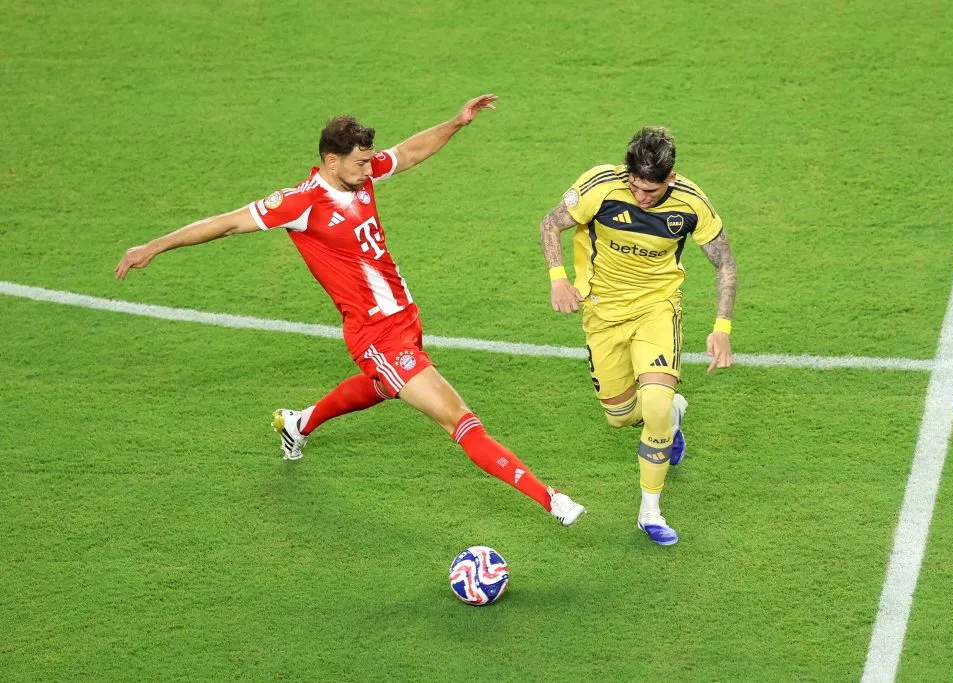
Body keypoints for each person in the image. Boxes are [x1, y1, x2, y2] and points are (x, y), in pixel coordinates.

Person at [115, 94, 585, 527]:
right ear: (331, 160)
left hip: (405, 318)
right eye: (360, 162)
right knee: (459, 418)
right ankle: (552, 499)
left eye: (368, 161)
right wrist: (154, 245)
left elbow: (408, 153)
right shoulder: (301, 204)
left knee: (381, 387)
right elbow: (227, 223)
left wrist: (457, 122)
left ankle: (298, 423)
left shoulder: (361, 173)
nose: (368, 169)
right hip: (376, 335)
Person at [538, 126, 736, 545]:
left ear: (671, 178)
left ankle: (650, 511)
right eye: (636, 186)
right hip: (602, 313)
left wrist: (722, 327)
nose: (642, 197)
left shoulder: (691, 204)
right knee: (621, 416)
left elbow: (725, 263)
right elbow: (550, 224)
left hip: (656, 308)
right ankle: (674, 417)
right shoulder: (599, 187)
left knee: (656, 404)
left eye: (652, 190)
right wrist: (558, 278)